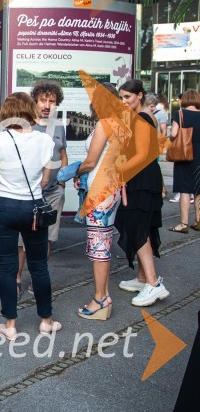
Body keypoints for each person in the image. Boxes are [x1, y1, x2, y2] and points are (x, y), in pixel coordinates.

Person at [0, 94, 60, 339]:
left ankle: (10, 325)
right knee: (39, 266)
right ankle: (46, 321)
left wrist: (8, 190)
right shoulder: (45, 140)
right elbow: (46, 179)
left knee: (7, 267)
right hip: (33, 207)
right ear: (30, 110)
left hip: (5, 206)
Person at [115, 79, 168, 307]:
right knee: (140, 226)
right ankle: (142, 278)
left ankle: (154, 284)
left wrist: (120, 168)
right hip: (143, 180)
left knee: (137, 227)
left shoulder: (144, 118)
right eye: (121, 97)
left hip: (143, 180)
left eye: (127, 97)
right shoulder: (142, 118)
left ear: (139, 96)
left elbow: (144, 155)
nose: (123, 101)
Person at [75, 83, 123, 320]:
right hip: (111, 188)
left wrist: (75, 171)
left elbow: (91, 160)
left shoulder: (104, 123)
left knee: (99, 246)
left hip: (100, 190)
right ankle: (102, 296)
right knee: (102, 243)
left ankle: (101, 299)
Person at [17, 80, 67, 297]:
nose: (47, 105)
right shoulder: (24, 125)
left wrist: (63, 181)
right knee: (21, 240)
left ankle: (37, 280)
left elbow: (62, 153)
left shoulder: (59, 127)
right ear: (35, 101)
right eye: (43, 100)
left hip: (53, 193)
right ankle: (17, 278)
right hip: (27, 193)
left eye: (52, 101)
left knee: (47, 238)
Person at [168, 88, 200, 233]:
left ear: (185, 100)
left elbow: (174, 133)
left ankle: (183, 223)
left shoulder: (179, 113)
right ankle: (198, 220)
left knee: (185, 190)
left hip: (184, 154)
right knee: (198, 188)